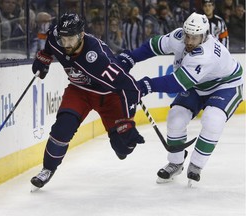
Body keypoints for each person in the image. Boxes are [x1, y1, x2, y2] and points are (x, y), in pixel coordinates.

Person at [30, 12, 145, 189]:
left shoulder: (98, 57)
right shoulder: (55, 37)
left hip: (108, 96)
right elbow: (51, 43)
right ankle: (47, 169)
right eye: (63, 39)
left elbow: (130, 87)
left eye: (71, 39)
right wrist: (44, 57)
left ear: (81, 35)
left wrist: (127, 119)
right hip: (79, 91)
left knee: (123, 149)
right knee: (62, 128)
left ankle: (124, 144)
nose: (66, 44)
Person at [126, 12, 244, 184]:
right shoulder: (179, 36)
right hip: (197, 85)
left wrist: (145, 86)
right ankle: (175, 163)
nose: (189, 41)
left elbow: (176, 83)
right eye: (187, 36)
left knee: (213, 119)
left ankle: (196, 166)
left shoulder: (206, 54)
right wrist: (129, 58)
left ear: (204, 36)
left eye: (194, 38)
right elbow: (154, 45)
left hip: (226, 85)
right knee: (175, 118)